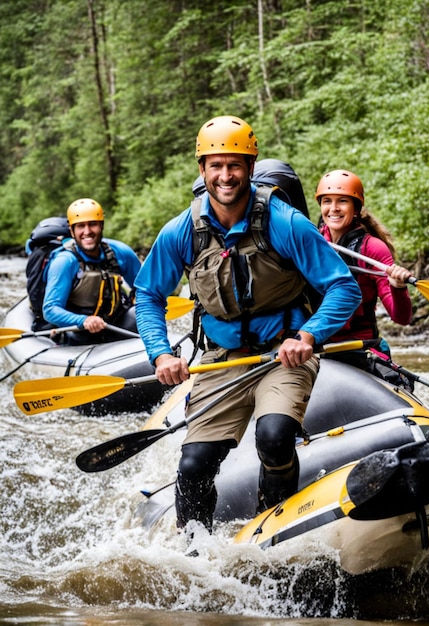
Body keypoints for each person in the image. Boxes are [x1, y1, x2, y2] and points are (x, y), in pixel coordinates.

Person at [135, 115, 362, 534]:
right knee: (193, 463)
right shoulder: (180, 232)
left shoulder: (285, 222)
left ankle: (272, 527)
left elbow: (344, 289)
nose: (226, 175)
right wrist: (161, 352)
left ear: (251, 168)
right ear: (202, 170)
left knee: (274, 437)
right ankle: (194, 555)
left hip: (283, 354)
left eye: (235, 164)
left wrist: (308, 336)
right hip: (221, 359)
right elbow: (148, 296)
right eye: (216, 165)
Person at [316, 169, 413, 372]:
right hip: (317, 347)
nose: (333, 209)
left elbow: (401, 318)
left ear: (356, 208)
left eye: (342, 201)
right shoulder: (313, 241)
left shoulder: (373, 248)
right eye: (327, 201)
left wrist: (397, 287)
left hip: (360, 347)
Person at [42, 198, 142, 344]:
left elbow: (145, 289)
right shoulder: (64, 261)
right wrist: (84, 320)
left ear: (101, 226)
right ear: (72, 230)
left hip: (116, 323)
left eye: (92, 224)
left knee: (140, 312)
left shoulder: (121, 252)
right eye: (80, 226)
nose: (87, 231)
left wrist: (142, 302)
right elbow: (50, 309)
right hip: (79, 331)